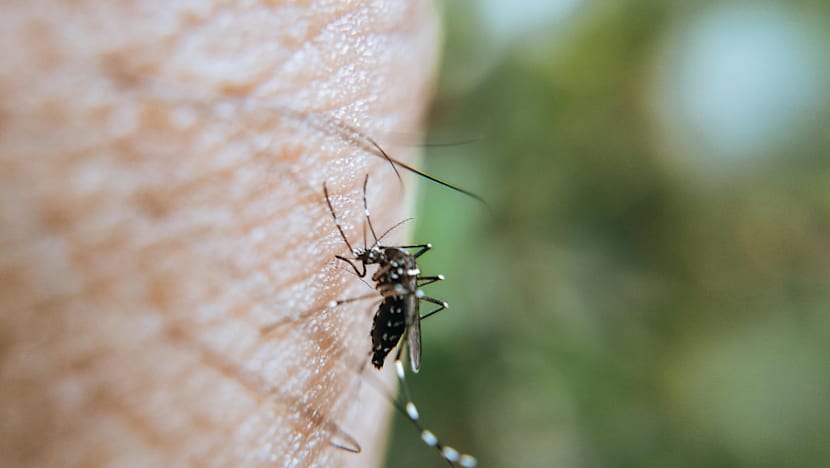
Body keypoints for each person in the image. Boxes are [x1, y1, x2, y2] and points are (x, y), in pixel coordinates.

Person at [0, 1, 439, 466]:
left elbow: (387, 282)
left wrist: (336, 303)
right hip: (396, 301)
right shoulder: (396, 266)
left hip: (394, 310)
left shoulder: (395, 278)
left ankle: (375, 353)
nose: (373, 259)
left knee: (373, 305)